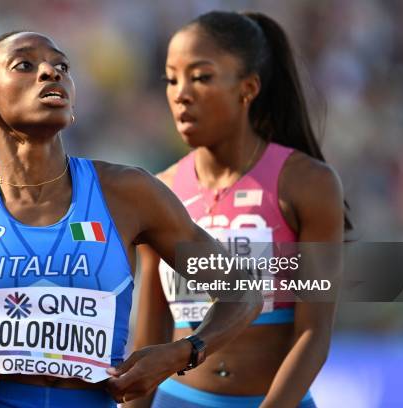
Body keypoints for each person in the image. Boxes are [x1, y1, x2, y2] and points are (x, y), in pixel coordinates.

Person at [0, 30, 262, 408]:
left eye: (62, 66)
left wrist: (180, 352)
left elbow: (241, 292)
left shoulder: (129, 193)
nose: (51, 73)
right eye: (26, 64)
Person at [130, 11, 348, 408]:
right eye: (171, 79)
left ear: (247, 88)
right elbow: (149, 337)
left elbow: (314, 333)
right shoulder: (159, 191)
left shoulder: (307, 183)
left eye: (201, 77)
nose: (181, 93)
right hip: (178, 399)